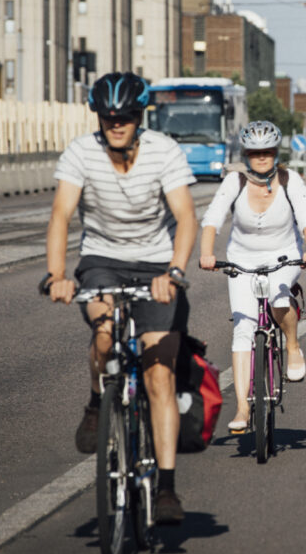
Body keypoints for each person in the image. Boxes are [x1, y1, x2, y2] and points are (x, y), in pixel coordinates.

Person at [44, 71, 197, 524]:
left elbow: (186, 217)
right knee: (105, 334)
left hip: (156, 265)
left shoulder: (163, 151)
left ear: (138, 116)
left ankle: (166, 488)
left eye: (125, 116)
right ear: (99, 117)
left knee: (159, 375)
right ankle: (97, 403)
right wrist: (56, 275)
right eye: (109, 117)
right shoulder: (81, 153)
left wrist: (174, 271)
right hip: (102, 259)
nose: (117, 124)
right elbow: (61, 215)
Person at [198, 120, 306, 433]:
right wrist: (206, 253)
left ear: (276, 152)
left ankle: (292, 347)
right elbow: (213, 217)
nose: (262, 157)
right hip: (242, 257)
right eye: (255, 152)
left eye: (267, 151)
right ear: (246, 153)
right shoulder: (234, 181)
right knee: (243, 328)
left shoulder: (288, 178)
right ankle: (241, 408)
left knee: (280, 300)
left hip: (284, 253)